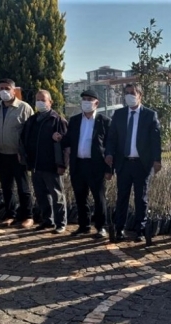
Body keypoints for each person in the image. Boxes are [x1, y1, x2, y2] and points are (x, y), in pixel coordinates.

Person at [105, 83, 162, 243]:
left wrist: (157, 160)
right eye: (127, 93)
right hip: (123, 163)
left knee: (141, 198)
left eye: (133, 93)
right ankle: (119, 229)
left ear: (140, 95)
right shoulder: (119, 114)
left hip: (141, 164)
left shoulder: (150, 115)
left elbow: (155, 140)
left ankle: (140, 231)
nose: (129, 96)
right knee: (122, 197)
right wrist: (109, 153)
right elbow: (112, 138)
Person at [0, 78, 34, 228]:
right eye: (1, 88)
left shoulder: (24, 108)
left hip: (18, 155)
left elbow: (30, 132)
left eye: (6, 88)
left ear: (13, 90)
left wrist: (25, 152)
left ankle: (28, 216)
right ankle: (11, 215)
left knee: (23, 188)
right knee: (6, 187)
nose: (3, 91)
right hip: (0, 153)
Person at [63, 89, 111, 239]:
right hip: (78, 164)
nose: (86, 102)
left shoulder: (104, 121)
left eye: (89, 99)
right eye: (84, 99)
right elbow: (68, 140)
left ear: (97, 103)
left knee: (99, 198)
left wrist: (109, 169)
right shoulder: (75, 120)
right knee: (80, 197)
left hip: (96, 166)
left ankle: (101, 227)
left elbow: (110, 147)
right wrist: (59, 138)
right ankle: (84, 226)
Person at [20, 90, 68, 234]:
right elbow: (25, 139)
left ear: (50, 102)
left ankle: (61, 223)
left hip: (52, 165)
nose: (40, 102)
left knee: (57, 195)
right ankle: (48, 220)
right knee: (41, 195)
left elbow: (66, 145)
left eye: (43, 100)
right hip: (36, 164)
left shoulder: (57, 120)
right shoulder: (32, 120)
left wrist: (62, 165)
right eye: (38, 100)